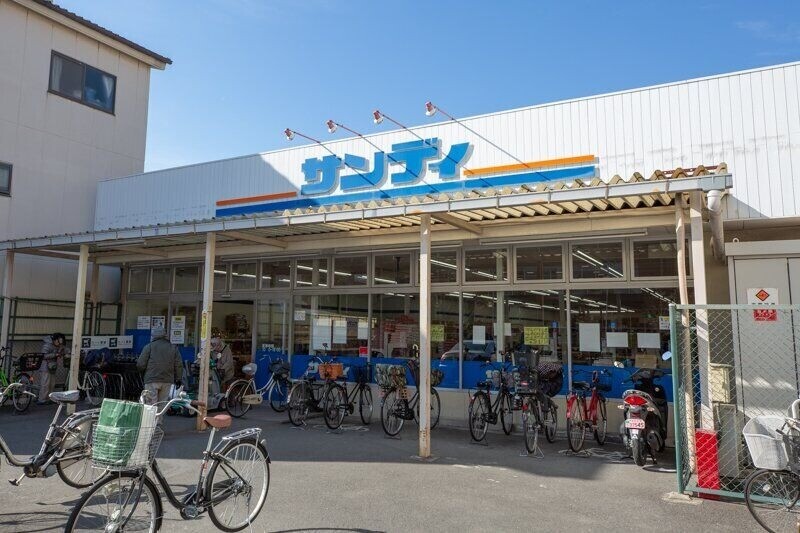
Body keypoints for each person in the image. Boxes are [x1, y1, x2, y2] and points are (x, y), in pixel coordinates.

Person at [137, 327, 182, 405]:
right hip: (167, 380)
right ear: (165, 335)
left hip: (151, 379)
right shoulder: (173, 348)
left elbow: (140, 364)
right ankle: (160, 414)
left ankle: (152, 414)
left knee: (150, 405)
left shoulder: (149, 347)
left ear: (153, 335)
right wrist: (178, 379)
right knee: (162, 404)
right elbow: (178, 365)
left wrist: (143, 374)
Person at [38, 332, 66, 405]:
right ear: (55, 340)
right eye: (58, 341)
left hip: (52, 367)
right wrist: (55, 354)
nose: (59, 343)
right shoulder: (47, 345)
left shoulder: (57, 346)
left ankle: (49, 398)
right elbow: (43, 356)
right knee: (45, 384)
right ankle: (42, 400)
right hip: (45, 367)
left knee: (51, 384)